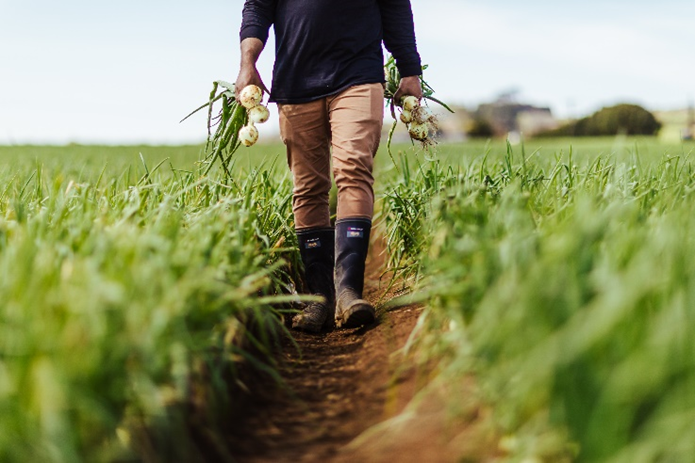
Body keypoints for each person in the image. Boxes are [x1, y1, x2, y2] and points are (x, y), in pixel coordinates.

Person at [237, 0, 423, 333]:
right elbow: (257, 9)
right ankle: (318, 298)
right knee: (308, 187)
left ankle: (348, 291)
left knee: (353, 170)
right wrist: (247, 63)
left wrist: (411, 70)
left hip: (358, 77)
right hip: (296, 83)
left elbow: (395, 8)